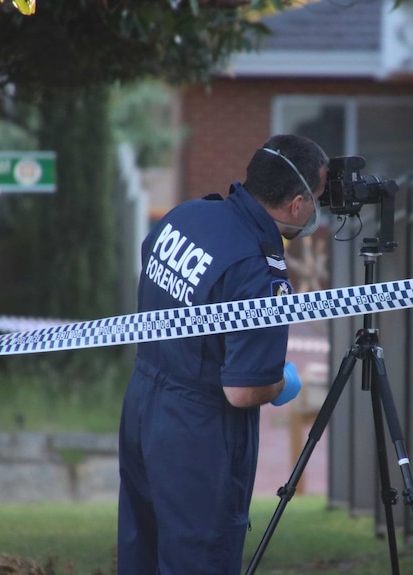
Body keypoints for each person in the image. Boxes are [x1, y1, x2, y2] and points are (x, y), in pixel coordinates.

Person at [118, 134, 329, 575]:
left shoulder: (187, 216)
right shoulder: (257, 269)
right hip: (199, 432)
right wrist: (280, 383)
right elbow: (241, 390)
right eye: (318, 199)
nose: (318, 210)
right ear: (296, 205)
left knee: (144, 552)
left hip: (144, 405)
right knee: (200, 558)